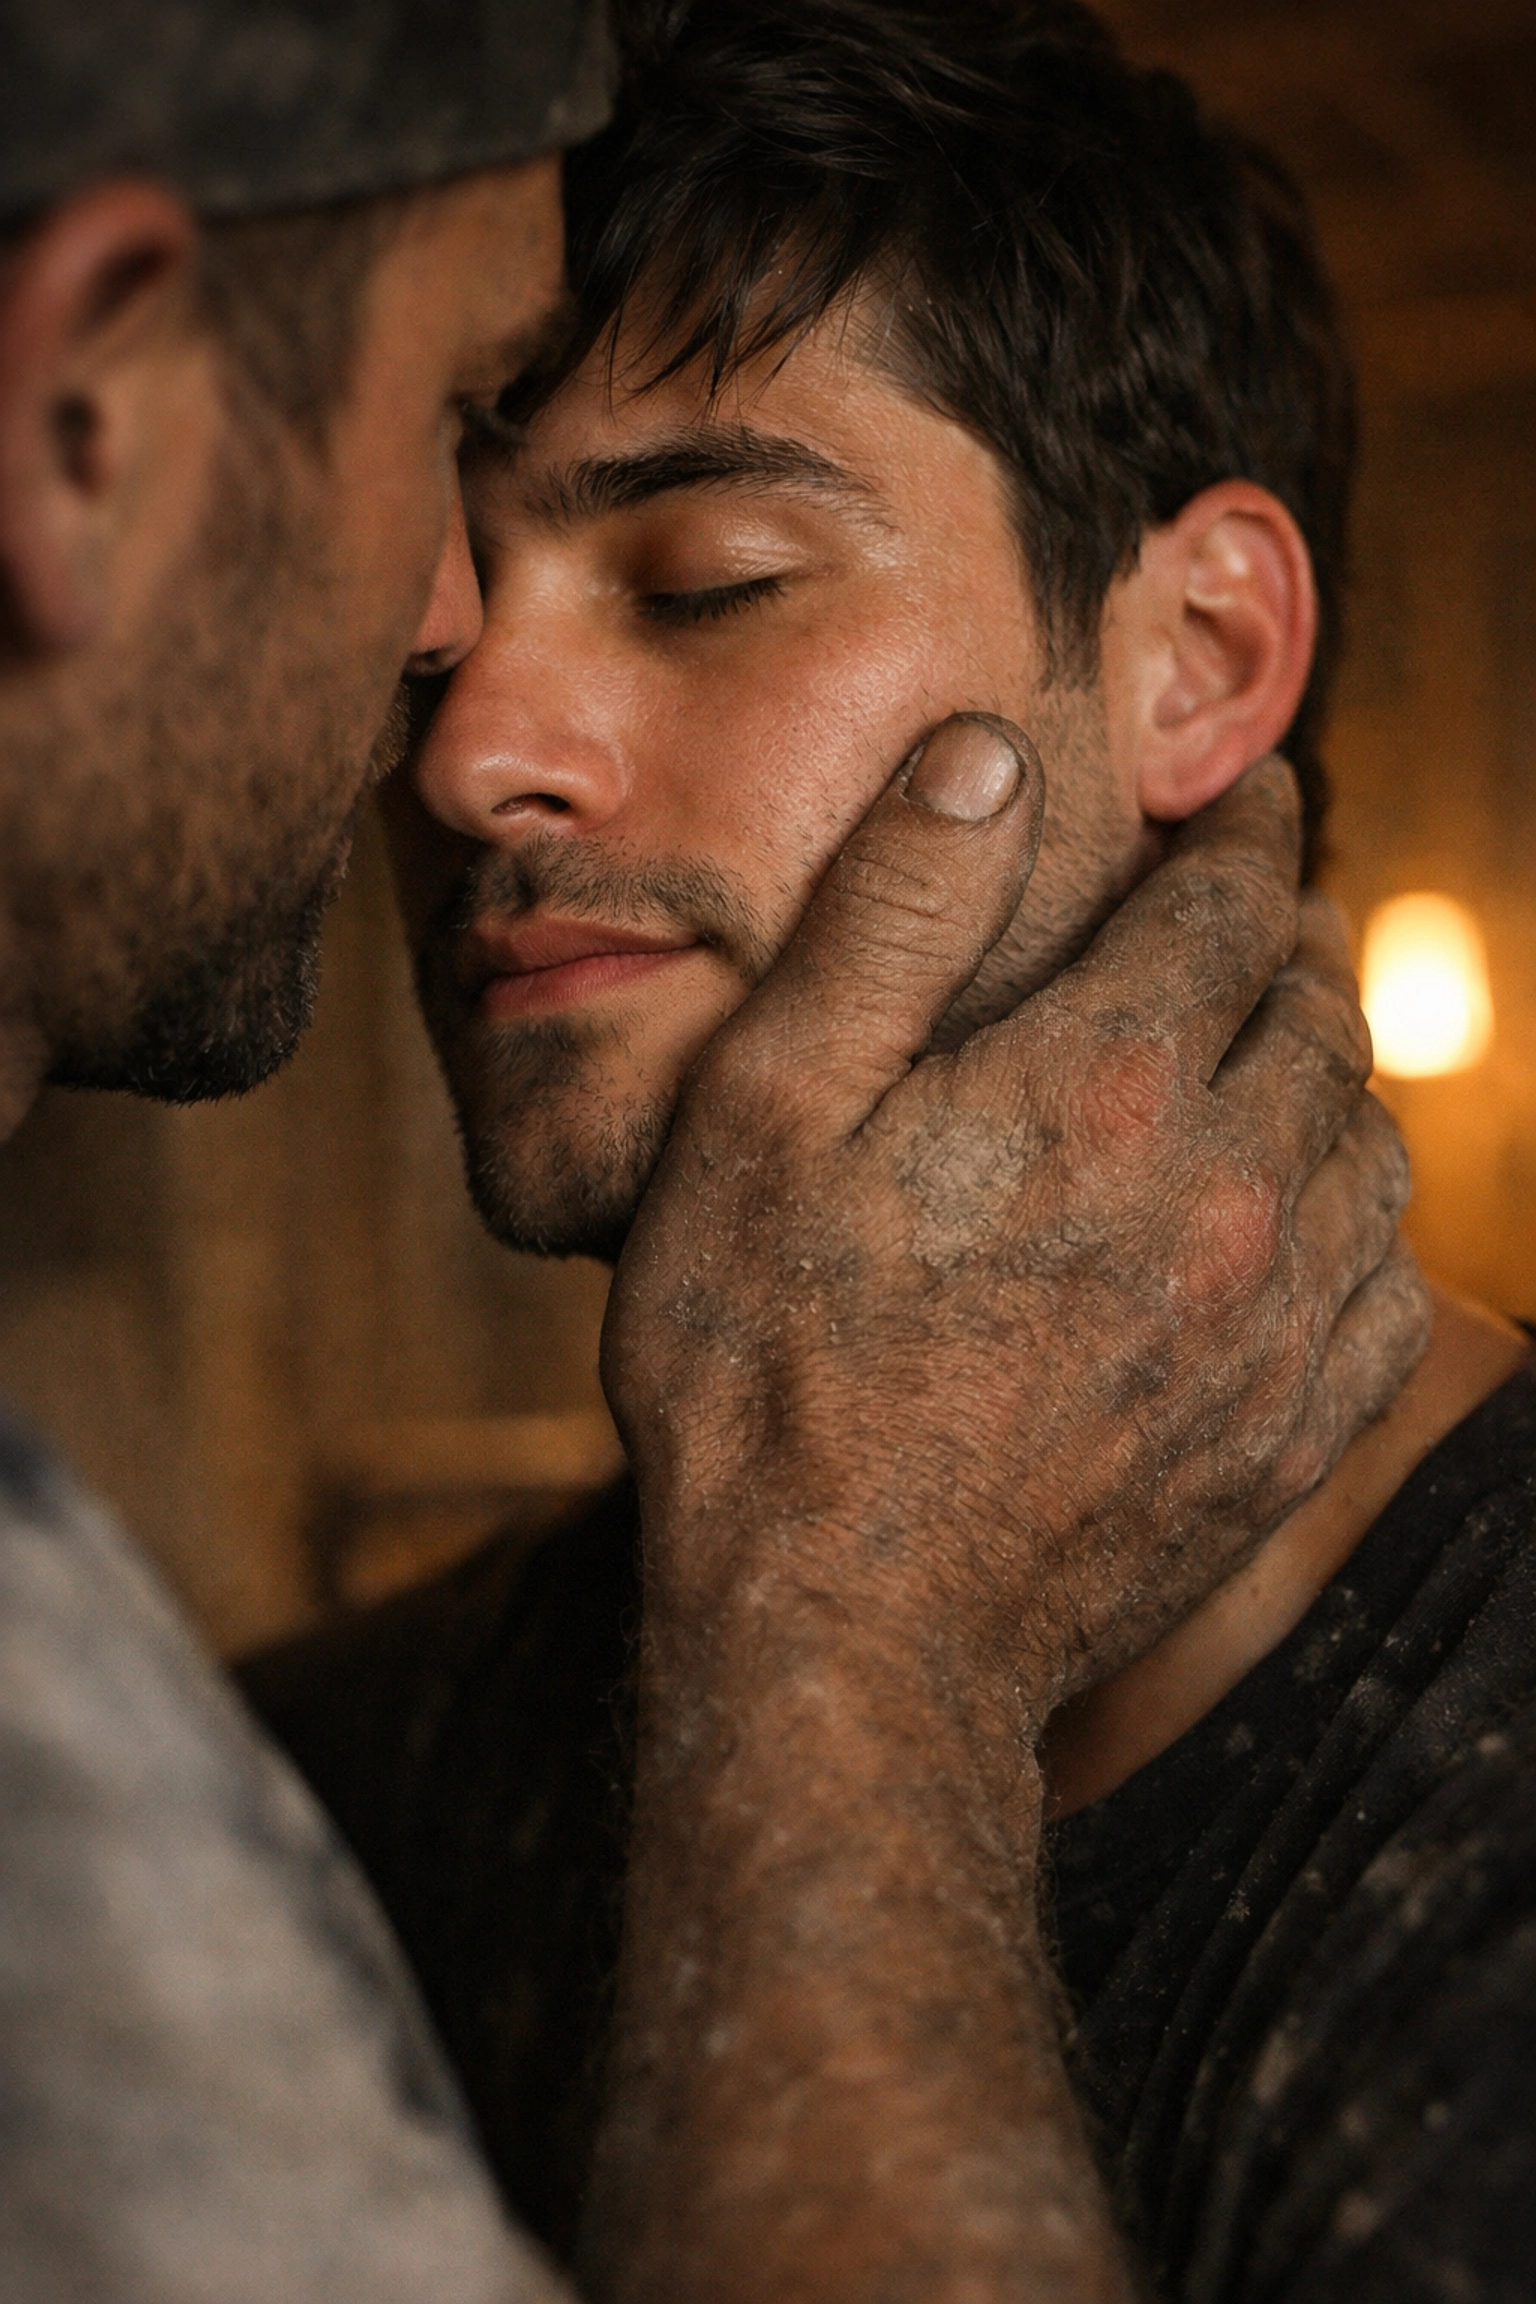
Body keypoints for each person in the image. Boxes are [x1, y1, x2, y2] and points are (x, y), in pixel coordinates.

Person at [0, 0, 1422, 2297]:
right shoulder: (286, 1796)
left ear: (1200, 656)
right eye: (438, 586)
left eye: (704, 582)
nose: (468, 754)